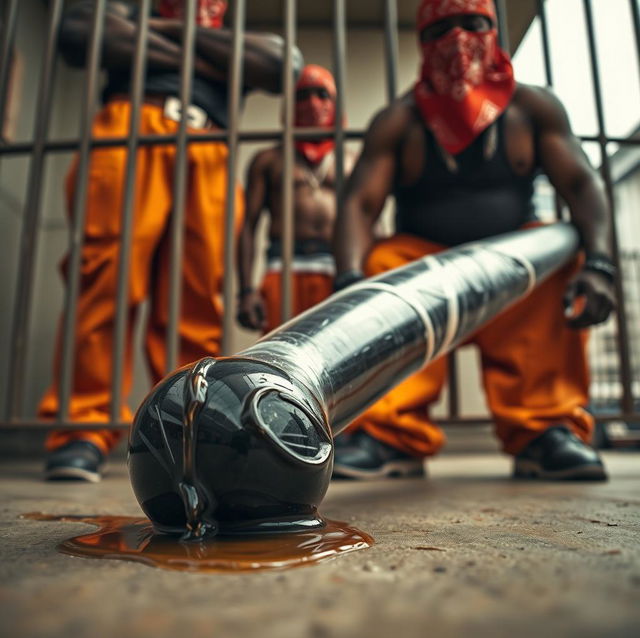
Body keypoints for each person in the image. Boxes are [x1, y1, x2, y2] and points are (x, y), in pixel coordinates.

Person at [332, 0, 616, 481]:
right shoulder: (399, 120)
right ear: (423, 44)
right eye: (441, 28)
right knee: (381, 263)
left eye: (474, 24)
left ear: (494, 32)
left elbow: (583, 184)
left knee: (558, 252)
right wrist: (349, 282)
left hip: (514, 268)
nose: (459, 39)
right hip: (424, 273)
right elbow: (359, 204)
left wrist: (602, 265)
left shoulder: (533, 108)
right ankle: (388, 435)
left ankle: (543, 432)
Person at [41, 0, 302, 482]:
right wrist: (211, 57)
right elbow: (79, 32)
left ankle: (190, 428)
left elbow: (283, 66)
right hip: (129, 126)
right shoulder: (131, 10)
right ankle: (83, 426)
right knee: (107, 280)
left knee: (197, 296)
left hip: (209, 144)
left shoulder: (236, 30)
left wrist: (148, 35)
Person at [237, 64, 354, 334]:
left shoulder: (351, 161)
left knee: (340, 358)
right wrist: (245, 291)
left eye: (321, 94)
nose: (312, 103)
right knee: (280, 360)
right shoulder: (268, 160)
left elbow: (369, 224)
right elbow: (247, 228)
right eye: (302, 95)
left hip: (338, 272)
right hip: (282, 267)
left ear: (335, 103)